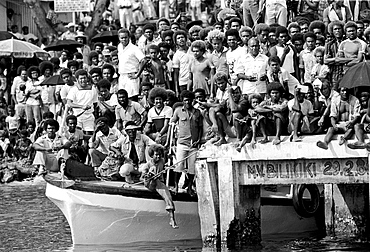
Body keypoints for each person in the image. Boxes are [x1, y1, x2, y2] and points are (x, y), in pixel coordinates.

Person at [169, 90, 202, 196]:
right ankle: (175, 187)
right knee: (179, 165)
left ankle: (189, 188)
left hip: (193, 144)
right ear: (182, 101)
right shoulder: (178, 111)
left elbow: (200, 128)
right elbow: (172, 123)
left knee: (192, 168)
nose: (187, 102)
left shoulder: (197, 112)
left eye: (189, 100)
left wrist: (199, 140)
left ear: (192, 100)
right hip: (182, 143)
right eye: (185, 100)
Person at [141, 144, 178, 228]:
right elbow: (141, 178)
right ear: (151, 155)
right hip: (150, 184)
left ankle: (172, 219)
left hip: (159, 183)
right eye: (156, 155)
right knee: (153, 171)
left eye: (159, 155)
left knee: (167, 196)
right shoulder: (147, 165)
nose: (158, 157)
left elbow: (167, 155)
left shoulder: (162, 160)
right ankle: (172, 220)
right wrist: (148, 176)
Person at [67, 69, 98, 134]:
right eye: (81, 78)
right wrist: (81, 107)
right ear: (77, 79)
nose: (83, 80)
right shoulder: (74, 90)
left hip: (89, 116)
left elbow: (95, 103)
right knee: (78, 136)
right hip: (78, 117)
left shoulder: (93, 89)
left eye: (84, 78)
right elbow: (69, 103)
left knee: (89, 136)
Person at [117, 28, 145, 100]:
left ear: (129, 37)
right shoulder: (119, 47)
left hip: (131, 77)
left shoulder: (134, 48)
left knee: (132, 100)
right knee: (122, 99)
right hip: (122, 76)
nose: (124, 40)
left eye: (125, 37)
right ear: (119, 38)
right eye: (122, 38)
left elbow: (143, 60)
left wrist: (137, 74)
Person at [173, 30, 192, 96]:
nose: (181, 39)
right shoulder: (176, 55)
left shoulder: (192, 50)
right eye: (178, 38)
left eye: (182, 37)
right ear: (176, 41)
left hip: (194, 80)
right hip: (183, 82)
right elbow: (176, 73)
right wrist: (176, 89)